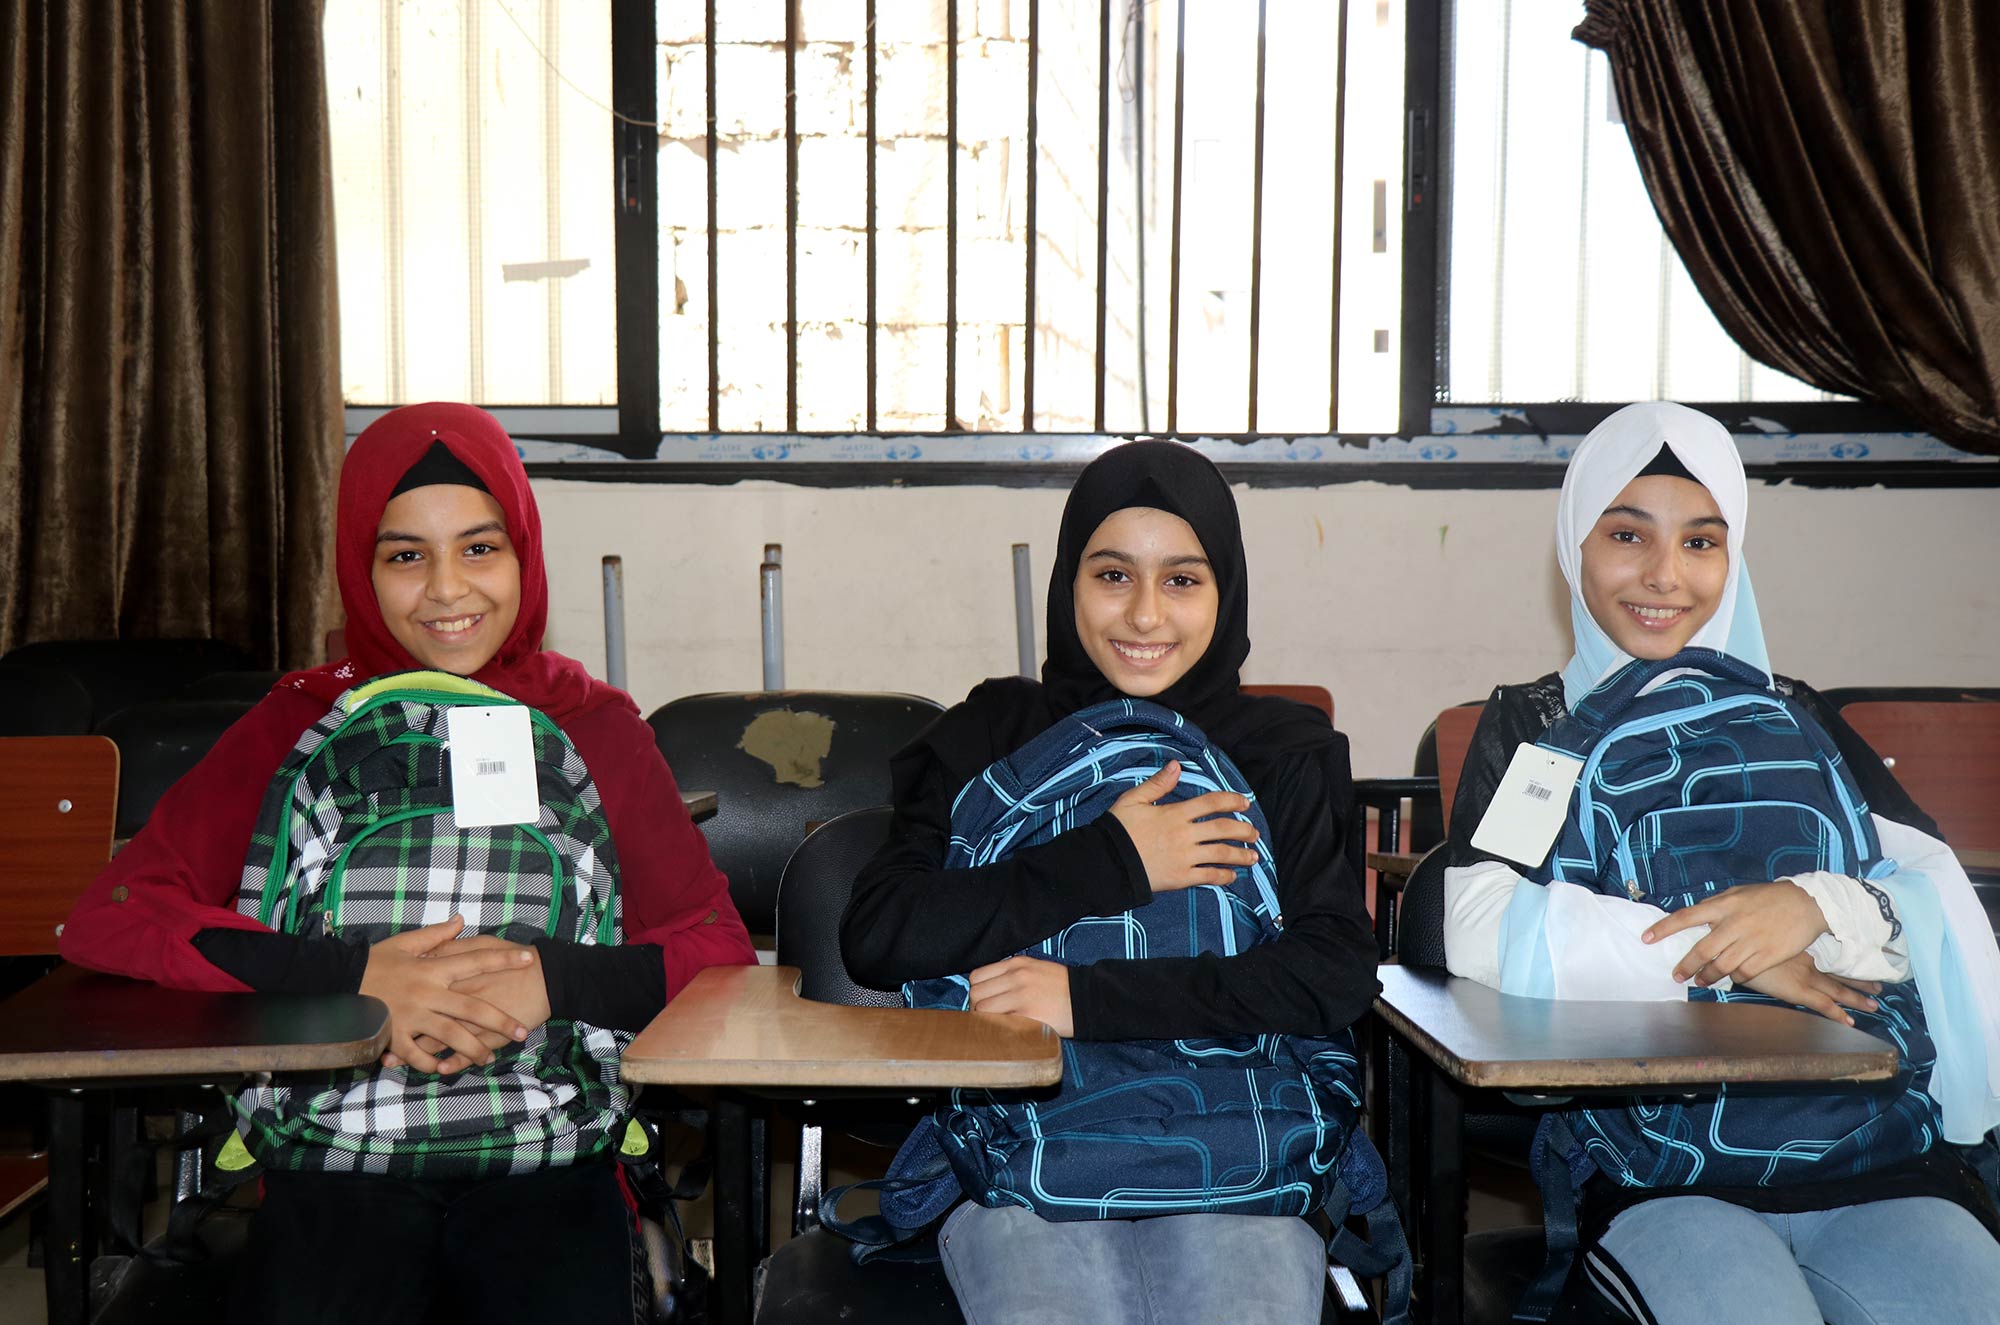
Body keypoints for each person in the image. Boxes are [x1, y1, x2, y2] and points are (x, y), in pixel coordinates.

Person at [60, 402, 755, 1325]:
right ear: (359, 564)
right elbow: (109, 917)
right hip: (336, 1147)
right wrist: (358, 982)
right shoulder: (298, 723)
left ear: (523, 554)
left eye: (479, 547)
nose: (444, 590)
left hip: (547, 1145)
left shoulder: (592, 728)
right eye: (404, 555)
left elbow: (718, 947)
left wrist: (550, 978)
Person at [1442, 401, 2000, 1325]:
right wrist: (1729, 952)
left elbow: (1932, 890)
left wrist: (1812, 906)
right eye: (1628, 534)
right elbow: (1464, 921)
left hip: (1869, 1154)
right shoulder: (1535, 728)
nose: (1666, 575)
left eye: (1703, 542)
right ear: (1575, 546)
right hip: (1664, 1165)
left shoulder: (1796, 714)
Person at [840, 440, 1382, 1323]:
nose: (1143, 615)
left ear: (1226, 590)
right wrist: (1116, 858)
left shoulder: (1283, 752)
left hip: (1242, 1152)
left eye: (1182, 580)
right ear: (1069, 583)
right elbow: (882, 932)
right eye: (1112, 574)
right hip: (1027, 1157)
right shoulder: (994, 730)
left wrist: (1086, 998)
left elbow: (1332, 970)